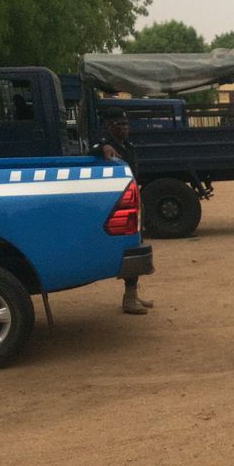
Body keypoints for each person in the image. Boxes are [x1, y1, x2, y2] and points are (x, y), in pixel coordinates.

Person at [92, 110, 155, 315]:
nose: (125, 128)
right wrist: (103, 146)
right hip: (121, 205)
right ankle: (129, 300)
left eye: (127, 124)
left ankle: (132, 294)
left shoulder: (128, 146)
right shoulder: (106, 146)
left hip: (133, 201)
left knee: (137, 246)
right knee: (129, 250)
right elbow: (93, 149)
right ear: (110, 126)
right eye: (120, 124)